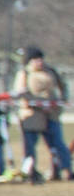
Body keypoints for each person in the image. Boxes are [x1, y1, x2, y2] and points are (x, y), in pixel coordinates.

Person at [16, 48, 69, 182]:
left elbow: (63, 86)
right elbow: (20, 92)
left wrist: (61, 100)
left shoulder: (50, 71)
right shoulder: (25, 73)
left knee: (57, 144)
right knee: (30, 146)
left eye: (41, 58)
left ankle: (64, 169)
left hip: (51, 114)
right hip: (32, 115)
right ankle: (31, 172)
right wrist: (36, 103)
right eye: (36, 59)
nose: (39, 62)